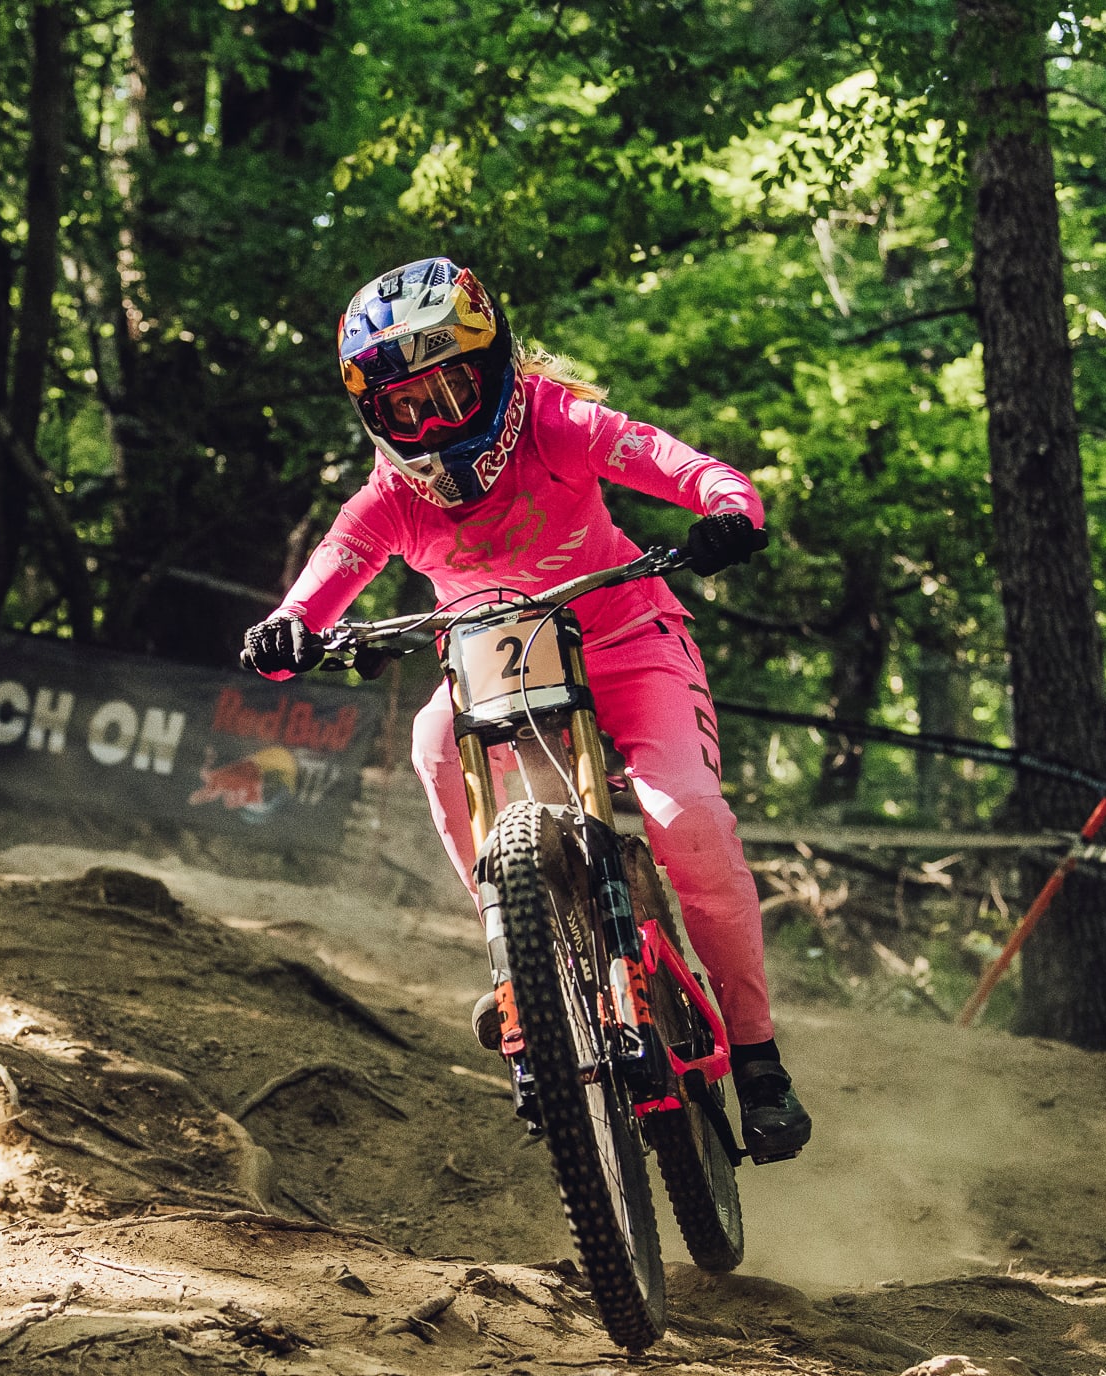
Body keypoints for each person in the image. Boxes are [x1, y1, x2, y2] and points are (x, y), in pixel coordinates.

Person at [239, 256, 811, 1162]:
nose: (432, 424)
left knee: (690, 819)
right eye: (405, 409)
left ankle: (756, 1054)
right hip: (494, 672)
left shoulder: (556, 421)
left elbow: (682, 465)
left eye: (450, 391)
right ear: (374, 418)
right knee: (433, 741)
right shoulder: (391, 496)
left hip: (630, 643)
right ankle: (520, 954)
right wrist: (288, 629)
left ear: (496, 366)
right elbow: (326, 575)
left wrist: (728, 508)